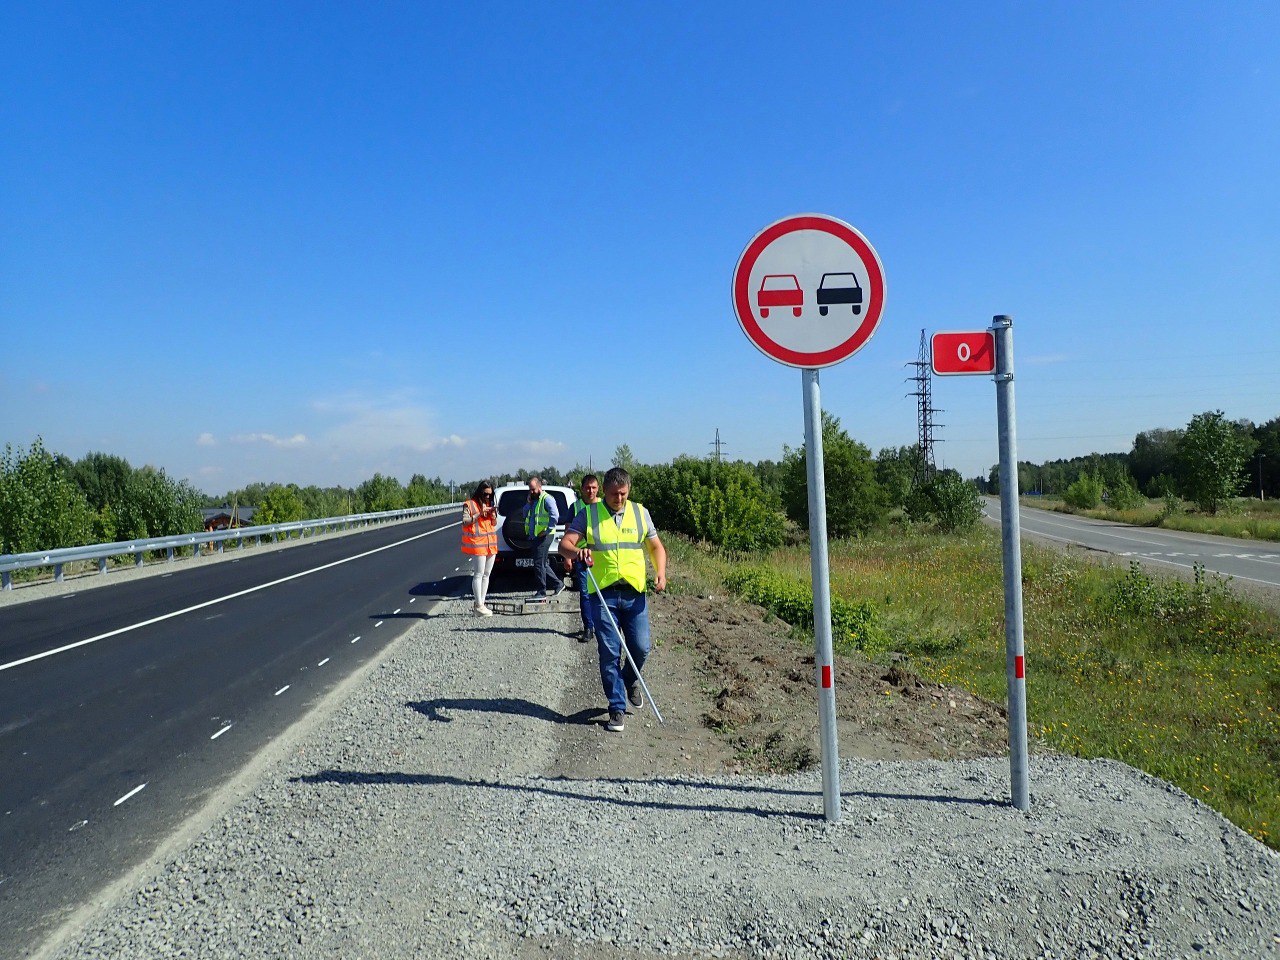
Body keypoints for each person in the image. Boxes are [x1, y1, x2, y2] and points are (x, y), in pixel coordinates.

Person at [558, 466, 667, 733]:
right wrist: (578, 552)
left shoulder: (640, 513)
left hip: (634, 592)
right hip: (603, 593)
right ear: (604, 491)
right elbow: (565, 545)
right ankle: (616, 707)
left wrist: (660, 572)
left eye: (623, 494)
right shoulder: (589, 514)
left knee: (641, 647)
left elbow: (655, 547)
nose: (619, 499)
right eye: (614, 494)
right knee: (609, 652)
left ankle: (630, 679)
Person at [565, 474, 600, 643]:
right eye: (587, 487)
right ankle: (589, 627)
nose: (590, 491)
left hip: (601, 556)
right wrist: (567, 557)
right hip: (581, 556)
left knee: (603, 593)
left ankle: (603, 625)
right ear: (582, 489)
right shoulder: (575, 507)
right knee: (585, 593)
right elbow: (567, 533)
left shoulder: (604, 506)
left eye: (593, 487)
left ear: (598, 489)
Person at [460, 480, 498, 616]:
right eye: (485, 494)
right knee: (478, 574)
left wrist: (493, 516)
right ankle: (478, 604)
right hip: (478, 544)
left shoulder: (489, 504)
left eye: (490, 494)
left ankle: (481, 603)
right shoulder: (469, 504)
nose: (488, 497)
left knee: (487, 574)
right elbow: (465, 521)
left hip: (490, 544)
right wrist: (480, 514)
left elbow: (493, 523)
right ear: (480, 492)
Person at [522, 476, 563, 598]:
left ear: (540, 487)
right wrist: (528, 503)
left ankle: (541, 592)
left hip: (544, 536)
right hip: (535, 536)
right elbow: (524, 514)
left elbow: (555, 516)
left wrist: (547, 530)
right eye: (530, 489)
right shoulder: (533, 500)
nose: (531, 492)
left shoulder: (547, 499)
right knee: (542, 563)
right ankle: (558, 584)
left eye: (533, 489)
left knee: (539, 564)